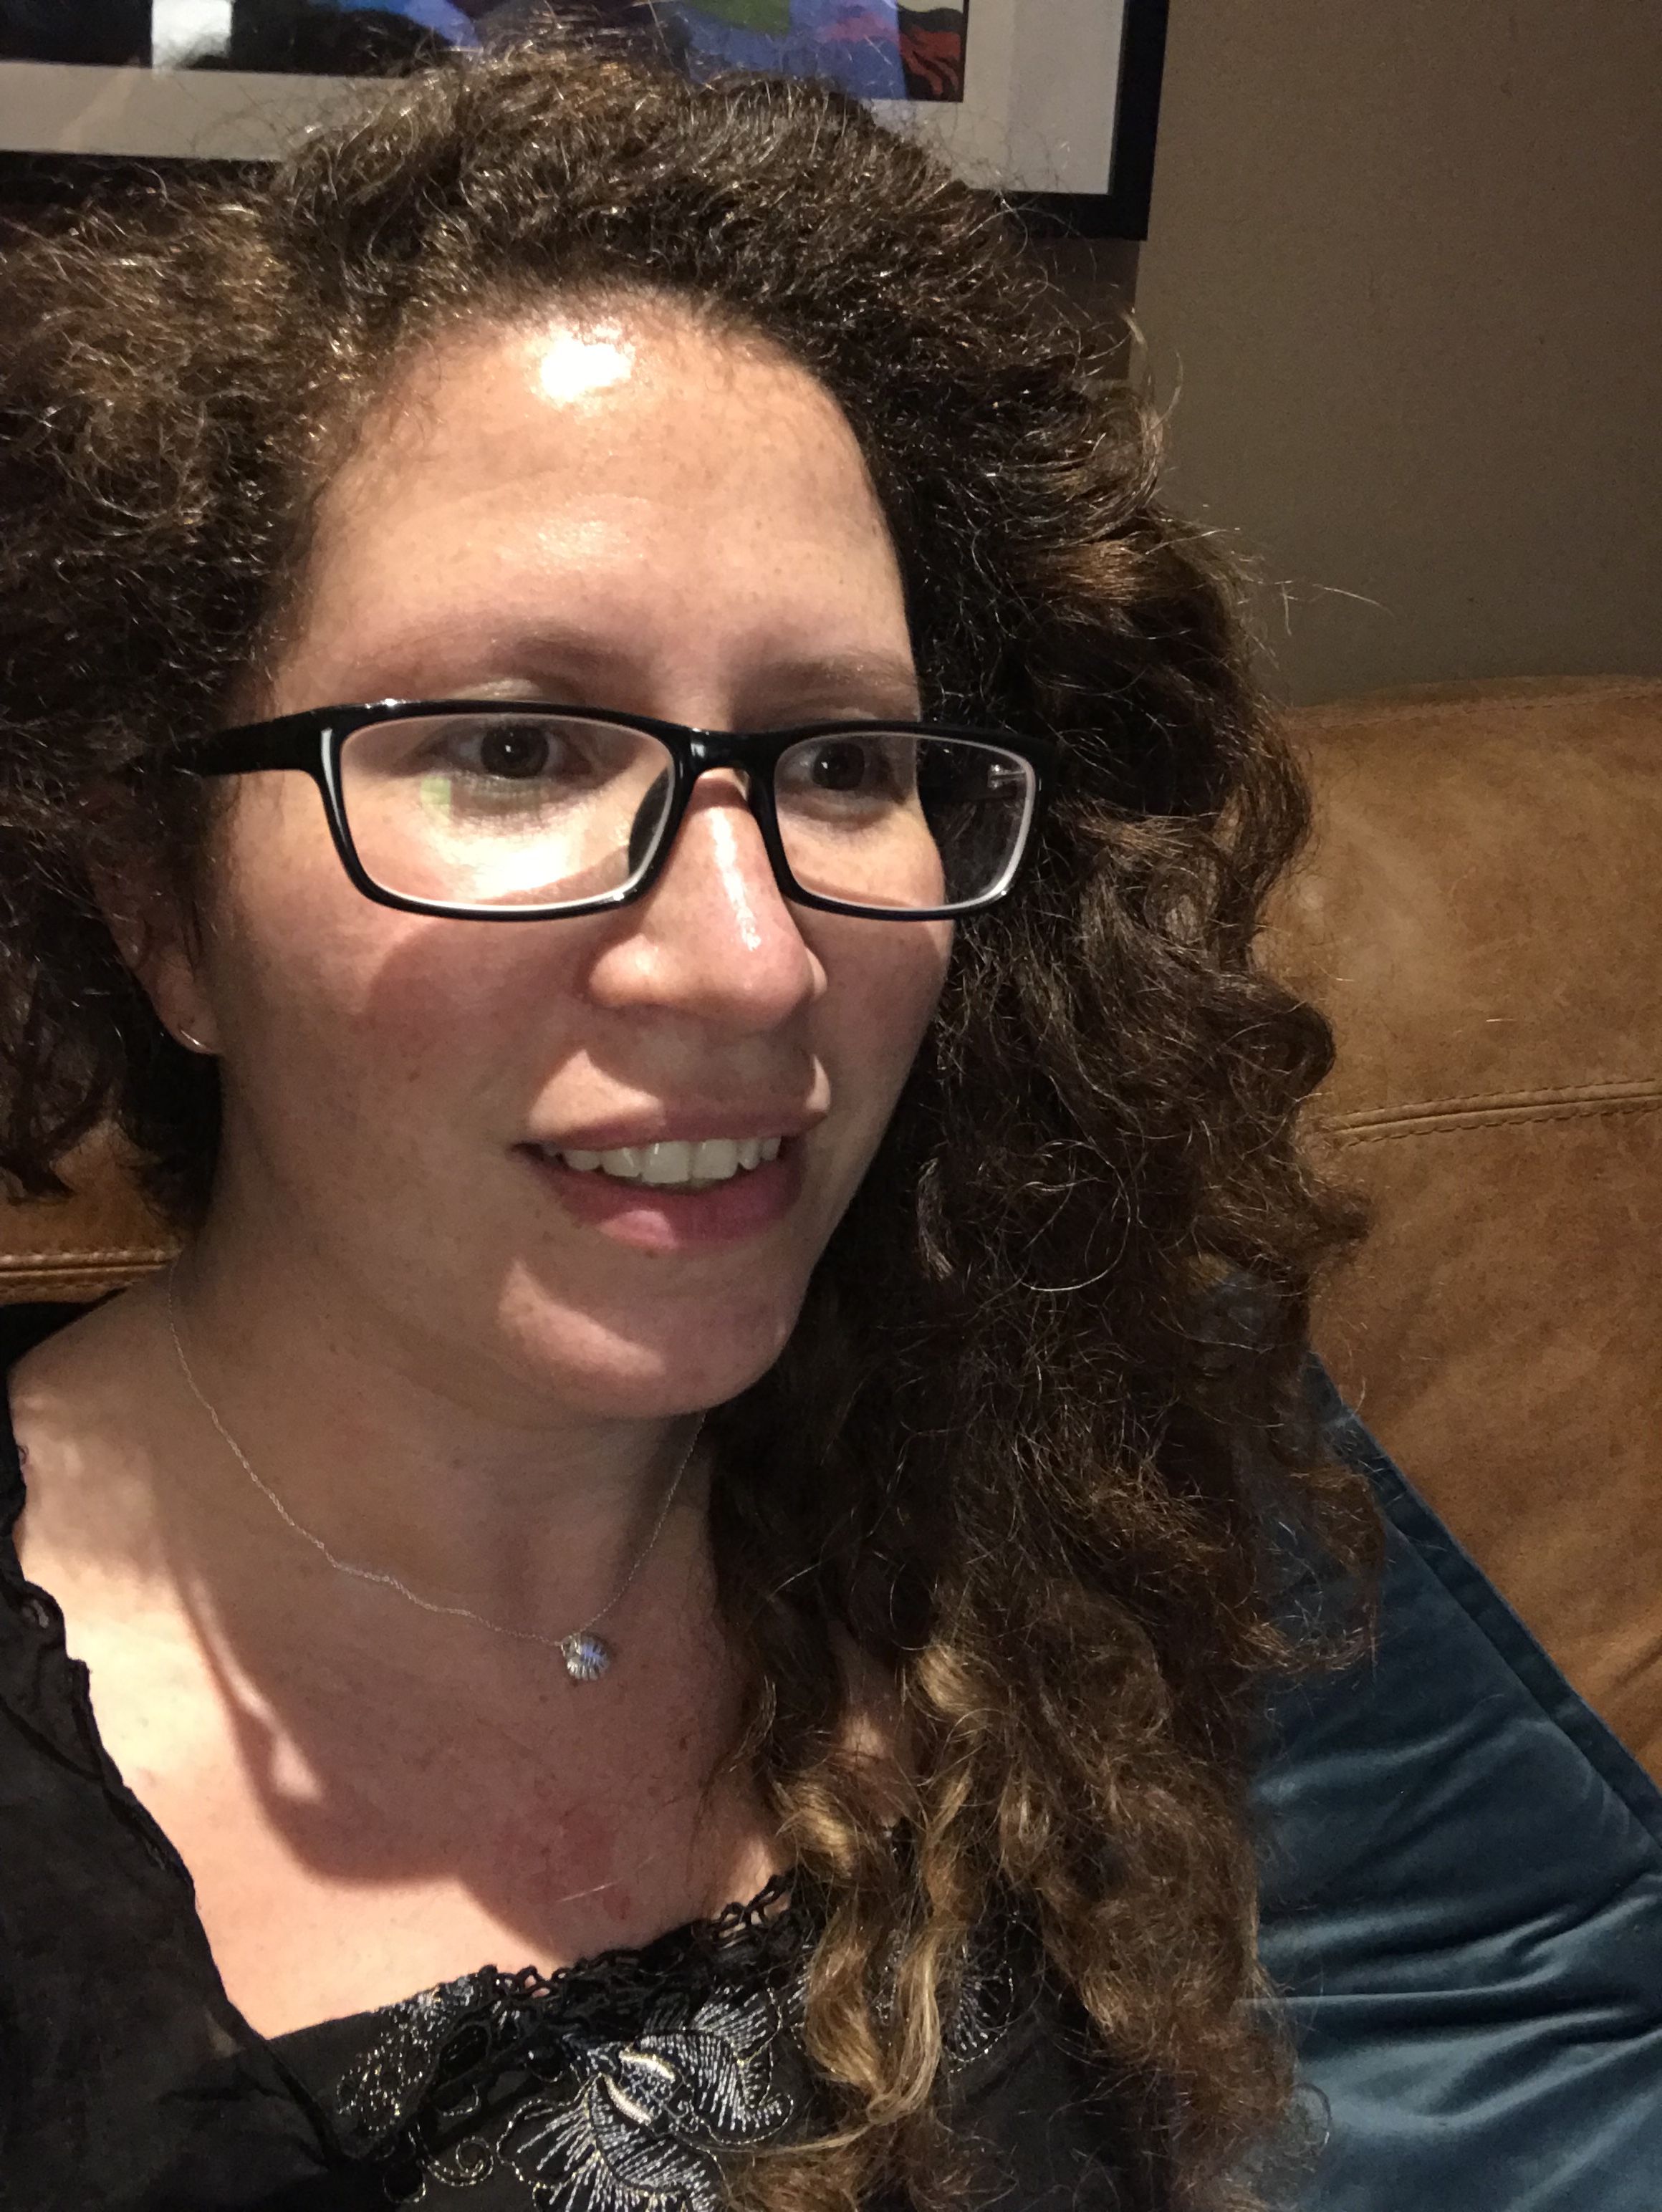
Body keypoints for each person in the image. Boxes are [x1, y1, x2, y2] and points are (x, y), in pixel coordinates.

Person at [0, 42, 1369, 2211]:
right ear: (158, 901)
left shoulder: (1008, 1498)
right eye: (516, 748)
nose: (746, 963)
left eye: (845, 762)